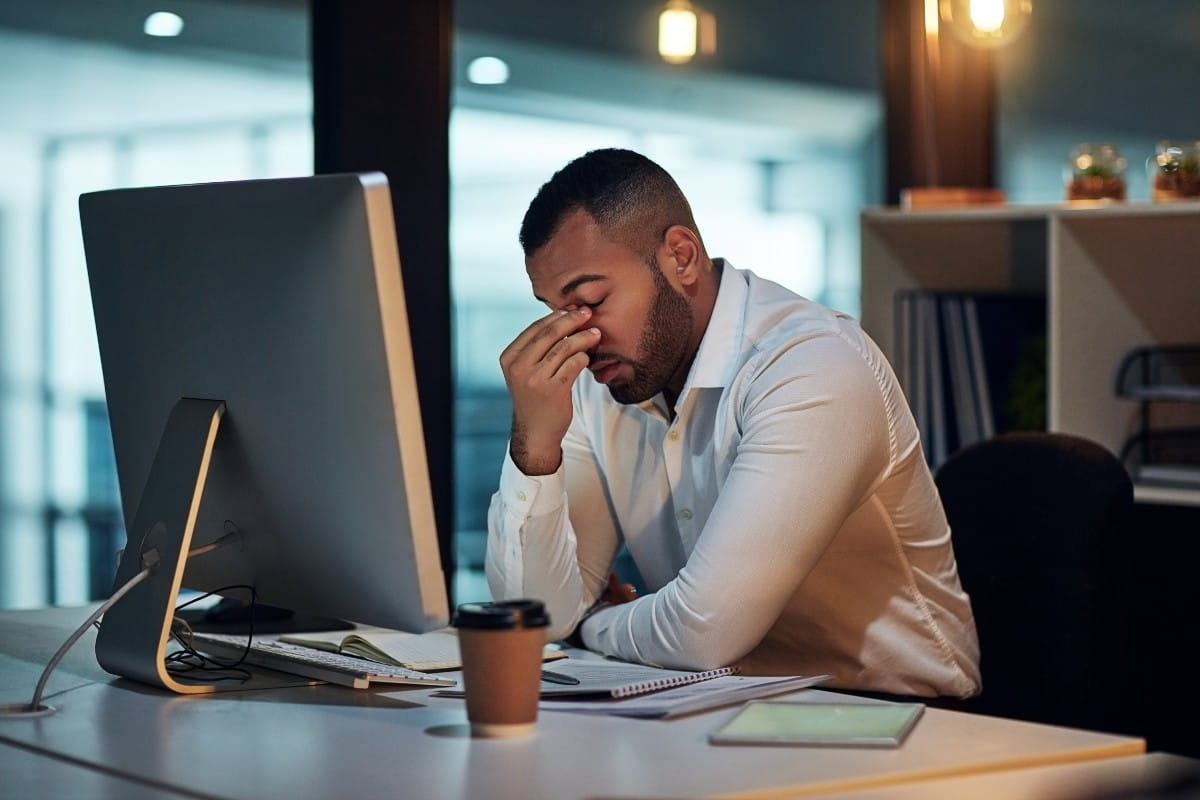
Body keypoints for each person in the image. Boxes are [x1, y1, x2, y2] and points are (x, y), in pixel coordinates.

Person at [486, 148, 981, 698]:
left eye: (591, 301)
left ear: (681, 257)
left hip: (898, 717)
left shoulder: (812, 365)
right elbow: (531, 620)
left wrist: (593, 623)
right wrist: (534, 447)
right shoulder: (598, 382)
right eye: (554, 309)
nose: (573, 335)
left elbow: (701, 633)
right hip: (721, 705)